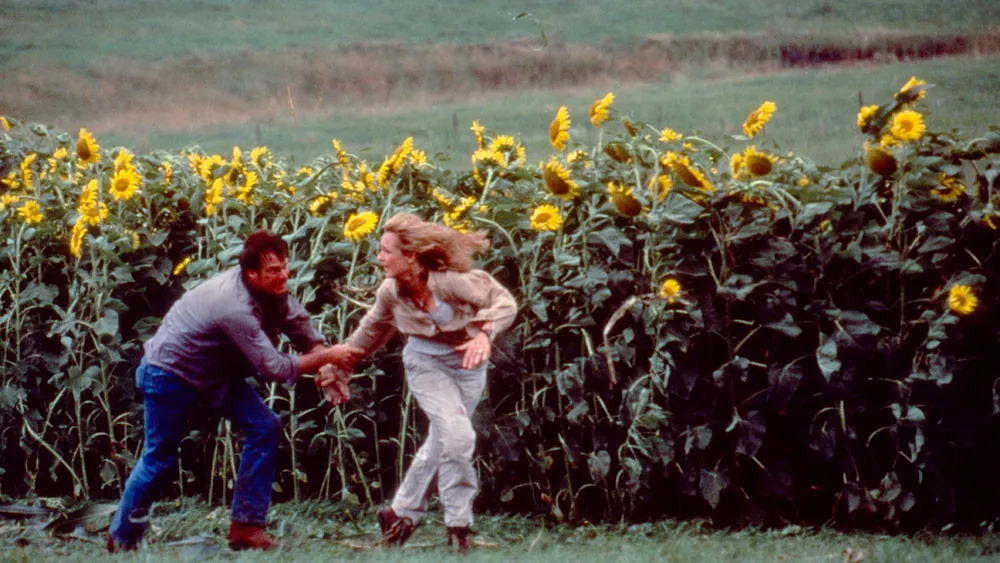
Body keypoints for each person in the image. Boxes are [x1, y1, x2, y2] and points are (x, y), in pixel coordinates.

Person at [107, 229, 363, 553]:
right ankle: (122, 537)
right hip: (169, 372)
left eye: (285, 267)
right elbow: (272, 367)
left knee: (265, 426)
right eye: (274, 270)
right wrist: (329, 356)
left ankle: (245, 528)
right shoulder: (232, 306)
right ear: (251, 273)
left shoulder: (272, 288)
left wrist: (327, 368)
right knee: (159, 459)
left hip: (214, 374)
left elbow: (301, 327)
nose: (284, 275)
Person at [317, 212, 517, 552]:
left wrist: (485, 334)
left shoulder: (452, 281)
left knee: (446, 438)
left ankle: (399, 513)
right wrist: (338, 368)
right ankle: (459, 529)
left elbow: (504, 303)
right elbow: (369, 331)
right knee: (457, 435)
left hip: (468, 363)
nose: (379, 258)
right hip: (425, 363)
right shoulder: (390, 292)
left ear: (410, 255)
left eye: (386, 251)